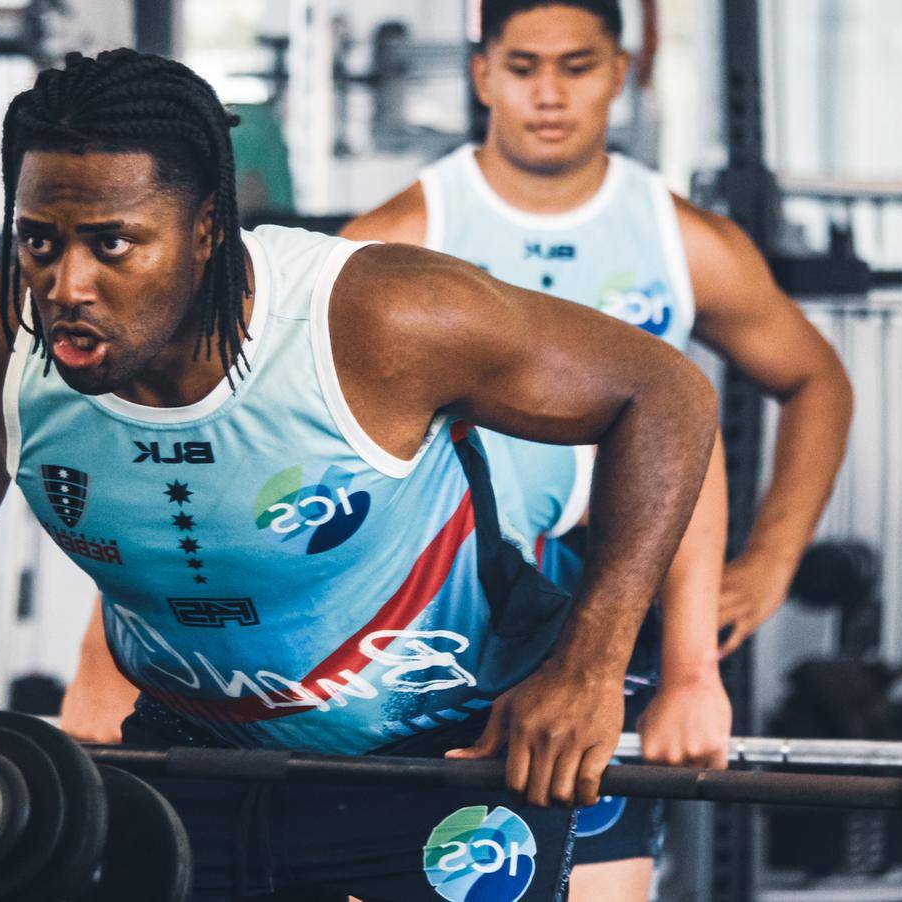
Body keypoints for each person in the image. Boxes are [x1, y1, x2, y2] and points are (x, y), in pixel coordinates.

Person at [0, 48, 717, 900]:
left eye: (113, 245)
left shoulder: (376, 323)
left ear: (205, 234)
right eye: (40, 240)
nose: (66, 284)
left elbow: (664, 393)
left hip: (446, 754)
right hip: (190, 751)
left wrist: (593, 666)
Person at [341, 2, 853, 898]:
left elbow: (817, 381)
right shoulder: (404, 235)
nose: (549, 93)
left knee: (601, 880)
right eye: (525, 66)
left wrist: (771, 563)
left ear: (619, 72)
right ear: (482, 75)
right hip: (448, 613)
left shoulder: (680, 237)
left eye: (576, 67)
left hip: (612, 604)